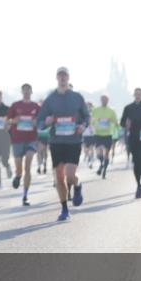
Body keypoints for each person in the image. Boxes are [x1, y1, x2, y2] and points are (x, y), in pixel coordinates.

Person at [38, 67, 90, 221]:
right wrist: (45, 122)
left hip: (73, 141)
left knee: (70, 175)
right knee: (59, 177)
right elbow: (40, 122)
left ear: (68, 78)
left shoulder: (77, 97)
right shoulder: (50, 99)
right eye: (60, 75)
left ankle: (77, 186)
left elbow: (86, 117)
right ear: (56, 78)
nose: (62, 78)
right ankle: (64, 209)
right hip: (56, 142)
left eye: (65, 75)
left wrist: (83, 126)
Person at [6, 83, 41, 205]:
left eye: (28, 90)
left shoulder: (36, 106)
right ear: (22, 92)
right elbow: (7, 121)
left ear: (31, 91)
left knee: (28, 166)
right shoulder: (15, 105)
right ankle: (18, 176)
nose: (26, 92)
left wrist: (37, 122)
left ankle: (25, 196)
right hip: (17, 140)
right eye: (24, 90)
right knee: (19, 168)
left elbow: (41, 122)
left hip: (31, 139)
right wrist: (13, 121)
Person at [90, 95, 119, 179]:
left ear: (108, 100)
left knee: (106, 153)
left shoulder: (111, 111)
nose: (104, 101)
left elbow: (116, 122)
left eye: (106, 100)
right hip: (98, 133)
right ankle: (101, 164)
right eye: (103, 99)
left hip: (108, 134)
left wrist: (111, 121)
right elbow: (91, 121)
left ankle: (104, 171)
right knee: (99, 153)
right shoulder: (95, 110)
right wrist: (92, 126)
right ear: (100, 100)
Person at [36, 95, 50, 175]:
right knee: (39, 151)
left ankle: (44, 165)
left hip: (45, 135)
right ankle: (39, 166)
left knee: (44, 151)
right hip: (38, 135)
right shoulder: (36, 112)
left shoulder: (47, 112)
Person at [82, 101, 96, 168]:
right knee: (85, 148)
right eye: (87, 105)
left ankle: (91, 159)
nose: (88, 107)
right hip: (85, 133)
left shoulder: (93, 113)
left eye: (89, 105)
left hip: (92, 133)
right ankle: (88, 157)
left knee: (91, 147)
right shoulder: (83, 113)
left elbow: (94, 122)